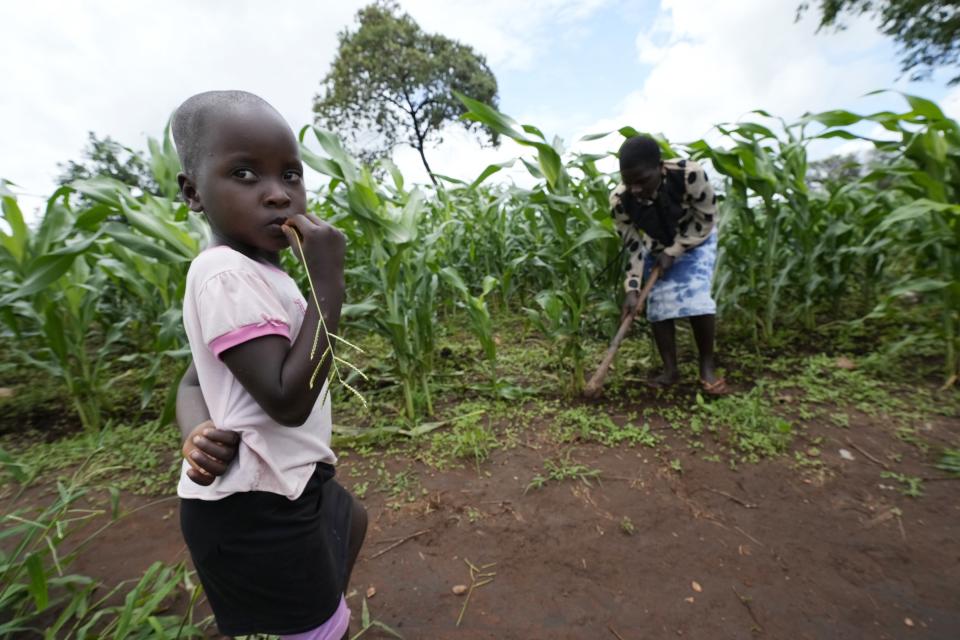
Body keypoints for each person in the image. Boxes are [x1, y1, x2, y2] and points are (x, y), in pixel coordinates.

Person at [171, 90, 366, 640]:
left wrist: (195, 428)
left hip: (288, 484)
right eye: (245, 174)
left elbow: (192, 377)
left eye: (291, 175)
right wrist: (328, 283)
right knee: (324, 630)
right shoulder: (225, 274)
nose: (278, 195)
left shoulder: (261, 275)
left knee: (350, 519)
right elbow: (287, 400)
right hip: (255, 508)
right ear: (194, 193)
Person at [610, 135, 728, 394]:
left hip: (697, 239)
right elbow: (633, 248)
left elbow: (707, 219)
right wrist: (631, 289)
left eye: (642, 181)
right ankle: (670, 370)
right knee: (659, 305)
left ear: (660, 167)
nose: (636, 189)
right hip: (657, 245)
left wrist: (675, 250)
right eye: (629, 183)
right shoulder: (620, 202)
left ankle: (707, 367)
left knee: (695, 295)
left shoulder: (689, 175)